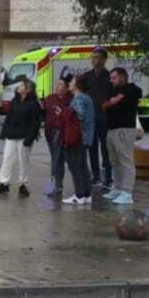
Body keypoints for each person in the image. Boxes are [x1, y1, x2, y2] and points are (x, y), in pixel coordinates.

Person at [100, 67, 142, 205]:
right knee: (115, 161)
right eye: (111, 78)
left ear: (122, 77)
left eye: (114, 78)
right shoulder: (112, 90)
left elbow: (136, 92)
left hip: (124, 130)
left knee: (125, 161)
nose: (111, 81)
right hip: (112, 129)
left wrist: (119, 97)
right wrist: (111, 101)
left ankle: (127, 193)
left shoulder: (131, 89)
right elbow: (105, 104)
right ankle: (117, 188)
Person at [0, 76, 42, 196]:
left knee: (23, 161)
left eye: (21, 85)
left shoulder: (33, 104)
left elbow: (35, 123)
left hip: (24, 137)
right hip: (11, 135)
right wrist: (4, 132)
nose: (18, 87)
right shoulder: (15, 100)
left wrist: (29, 138)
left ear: (27, 89)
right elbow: (9, 118)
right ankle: (4, 183)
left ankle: (22, 184)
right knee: (7, 158)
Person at [76, 47, 114, 192]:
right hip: (90, 119)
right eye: (93, 57)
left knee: (106, 149)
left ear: (104, 60)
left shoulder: (110, 77)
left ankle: (108, 179)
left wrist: (107, 104)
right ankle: (96, 177)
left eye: (97, 57)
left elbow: (113, 96)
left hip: (105, 119)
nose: (94, 60)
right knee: (92, 148)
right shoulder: (86, 77)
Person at [62, 75, 95, 205]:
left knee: (75, 166)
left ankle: (79, 195)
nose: (69, 83)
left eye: (72, 81)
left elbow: (79, 115)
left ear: (78, 85)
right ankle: (86, 194)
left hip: (77, 138)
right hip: (85, 137)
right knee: (82, 166)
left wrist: (66, 113)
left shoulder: (78, 98)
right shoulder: (87, 97)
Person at [41, 71, 74, 197]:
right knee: (56, 159)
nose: (57, 86)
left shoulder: (71, 99)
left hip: (62, 132)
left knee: (57, 159)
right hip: (50, 133)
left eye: (61, 84)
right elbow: (43, 112)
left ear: (67, 88)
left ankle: (55, 185)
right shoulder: (50, 98)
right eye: (57, 84)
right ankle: (57, 185)